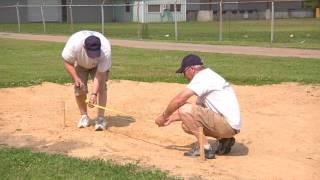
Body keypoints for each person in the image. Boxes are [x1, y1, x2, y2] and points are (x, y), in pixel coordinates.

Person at [155, 54, 241, 159]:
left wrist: (164, 116)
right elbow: (197, 111)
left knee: (184, 109)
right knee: (186, 125)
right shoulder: (208, 75)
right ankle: (224, 139)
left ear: (191, 69)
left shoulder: (202, 77)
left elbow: (179, 100)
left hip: (227, 125)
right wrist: (171, 118)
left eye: (183, 72)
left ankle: (205, 148)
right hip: (229, 125)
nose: (184, 76)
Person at [62, 30, 111, 131]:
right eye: (91, 53)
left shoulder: (106, 50)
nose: (93, 56)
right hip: (80, 64)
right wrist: (76, 78)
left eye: (96, 53)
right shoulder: (74, 44)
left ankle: (101, 118)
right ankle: (84, 116)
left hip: (98, 66)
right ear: (84, 47)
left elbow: (100, 74)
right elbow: (67, 62)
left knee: (101, 87)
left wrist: (94, 94)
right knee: (79, 87)